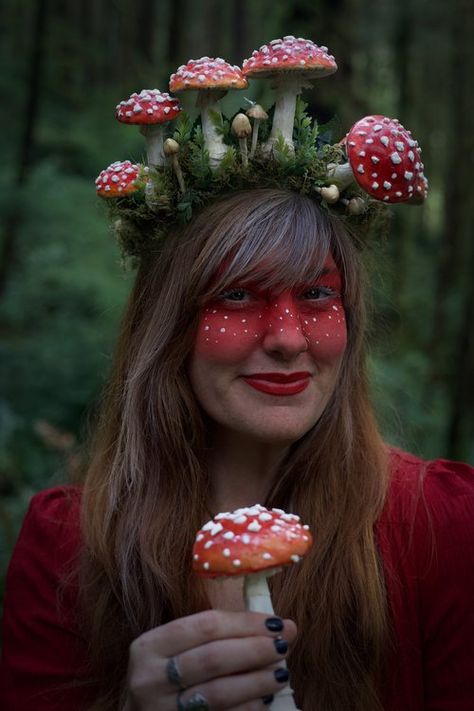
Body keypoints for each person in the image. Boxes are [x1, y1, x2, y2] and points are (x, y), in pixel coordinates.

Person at [1, 187, 473, 711]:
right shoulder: (67, 542)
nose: (288, 340)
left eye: (317, 294)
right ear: (169, 323)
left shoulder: (444, 523)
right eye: (239, 296)